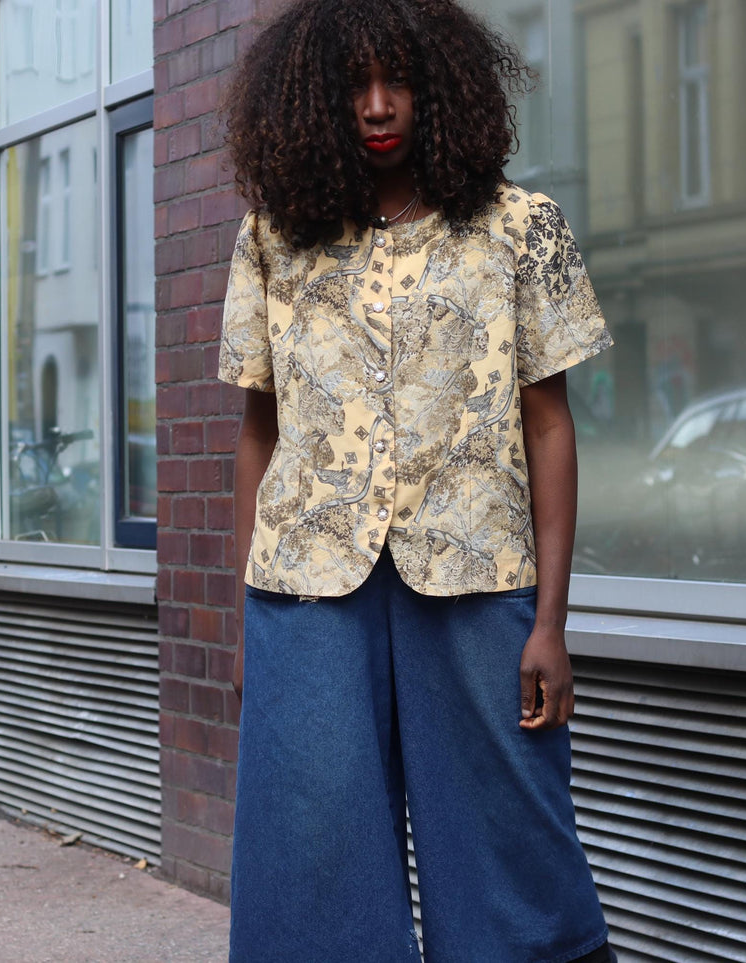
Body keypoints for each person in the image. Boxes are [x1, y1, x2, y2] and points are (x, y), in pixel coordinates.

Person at [218, 1, 615, 960]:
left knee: (508, 855)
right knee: (311, 864)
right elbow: (256, 433)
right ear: (313, 98)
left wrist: (551, 623)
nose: (379, 105)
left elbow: (550, 425)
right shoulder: (274, 236)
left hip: (478, 582)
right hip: (308, 589)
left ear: (441, 86)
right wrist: (250, 617)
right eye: (354, 85)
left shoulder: (522, 228)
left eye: (399, 80)